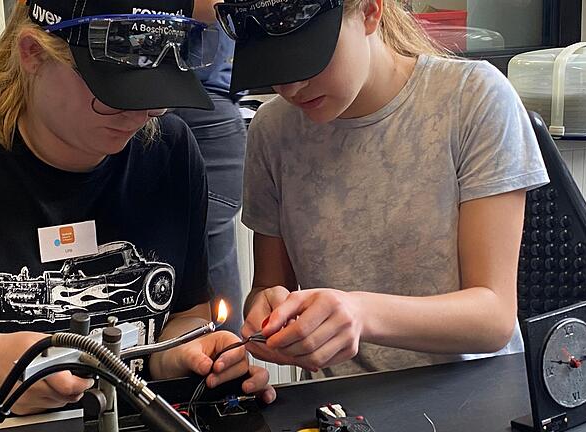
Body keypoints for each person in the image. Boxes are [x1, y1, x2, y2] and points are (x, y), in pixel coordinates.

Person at [0, 0, 274, 427]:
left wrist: (178, 354)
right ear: (32, 54)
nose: (143, 114)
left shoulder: (169, 152)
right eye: (115, 95)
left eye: (158, 91)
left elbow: (186, 312)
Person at [217, 0, 549, 378]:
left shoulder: (472, 99)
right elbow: (269, 287)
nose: (291, 87)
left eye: (307, 59)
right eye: (274, 67)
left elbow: (493, 317)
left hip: (470, 391)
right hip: (340, 405)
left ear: (371, 12)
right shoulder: (272, 130)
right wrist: (268, 309)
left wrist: (360, 314)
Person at [167, 1, 248, 334]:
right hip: (191, 103)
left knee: (203, 268)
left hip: (202, 109)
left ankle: (229, 378)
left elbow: (218, 6)